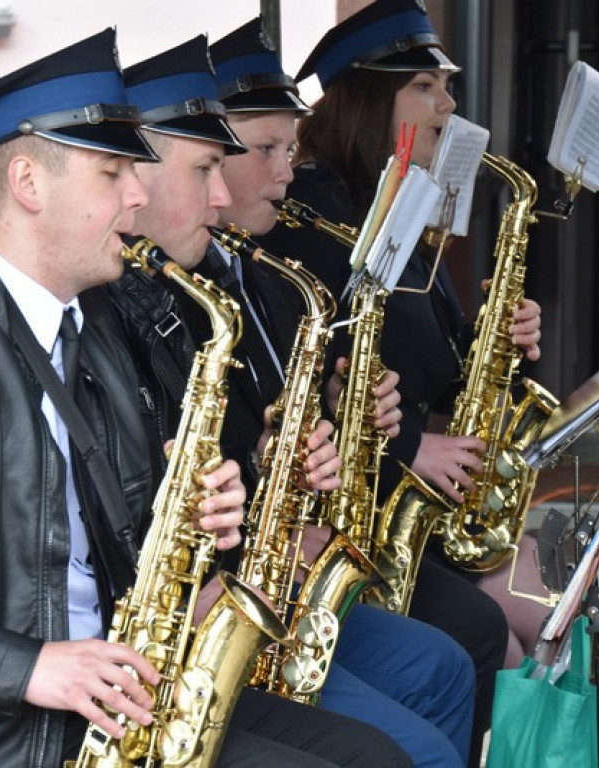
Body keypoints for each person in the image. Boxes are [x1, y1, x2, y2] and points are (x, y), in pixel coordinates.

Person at [0, 29, 406, 768]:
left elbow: (94, 546)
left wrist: (195, 524)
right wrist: (27, 666)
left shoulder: (96, 326)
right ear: (28, 183)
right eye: (114, 173)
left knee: (375, 757)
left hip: (107, 699)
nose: (139, 194)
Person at [259, 2, 599, 765]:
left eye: (447, 88)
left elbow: (428, 354)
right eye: (427, 87)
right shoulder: (315, 219)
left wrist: (494, 341)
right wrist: (412, 448)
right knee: (512, 629)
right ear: (370, 100)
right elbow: (327, 376)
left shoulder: (399, 203)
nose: (449, 106)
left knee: (572, 616)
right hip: (373, 509)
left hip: (426, 505)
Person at [89, 32, 474, 768]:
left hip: (267, 577)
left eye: (287, 152)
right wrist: (263, 481)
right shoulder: (142, 301)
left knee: (446, 667)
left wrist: (328, 416)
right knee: (405, 743)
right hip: (201, 613)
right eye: (259, 152)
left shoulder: (253, 275)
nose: (277, 177)